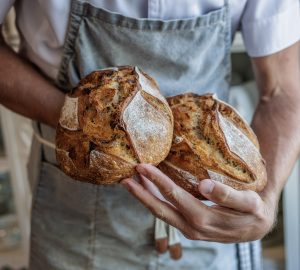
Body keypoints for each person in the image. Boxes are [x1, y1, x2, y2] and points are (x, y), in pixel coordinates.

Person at [0, 0, 300, 269]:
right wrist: (83, 122)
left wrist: (265, 199)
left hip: (214, 209)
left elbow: (283, 90)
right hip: (74, 212)